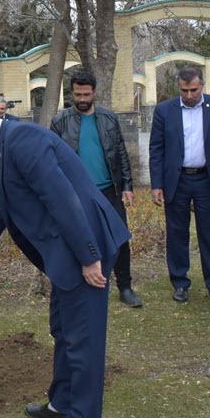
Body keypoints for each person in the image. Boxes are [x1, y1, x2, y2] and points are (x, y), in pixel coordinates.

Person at [0, 101, 129, 418]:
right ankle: (61, 406)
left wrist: (89, 259)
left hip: (85, 246)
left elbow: (63, 200)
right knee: (63, 329)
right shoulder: (2, 150)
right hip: (68, 252)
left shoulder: (24, 141)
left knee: (83, 340)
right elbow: (3, 207)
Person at [51, 69, 143, 308]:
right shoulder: (60, 121)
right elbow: (51, 160)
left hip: (109, 191)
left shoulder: (108, 118)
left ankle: (125, 287)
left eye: (86, 94)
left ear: (94, 93)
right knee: (81, 239)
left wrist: (127, 187)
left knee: (120, 239)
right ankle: (85, 283)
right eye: (77, 94)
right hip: (77, 194)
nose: (82, 99)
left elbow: (121, 153)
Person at [149, 66, 210, 306]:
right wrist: (156, 184)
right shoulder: (165, 110)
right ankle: (180, 283)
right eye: (184, 90)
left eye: (193, 90)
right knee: (177, 233)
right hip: (176, 181)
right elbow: (156, 149)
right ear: (178, 87)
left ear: (202, 86)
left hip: (206, 179)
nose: (189, 95)